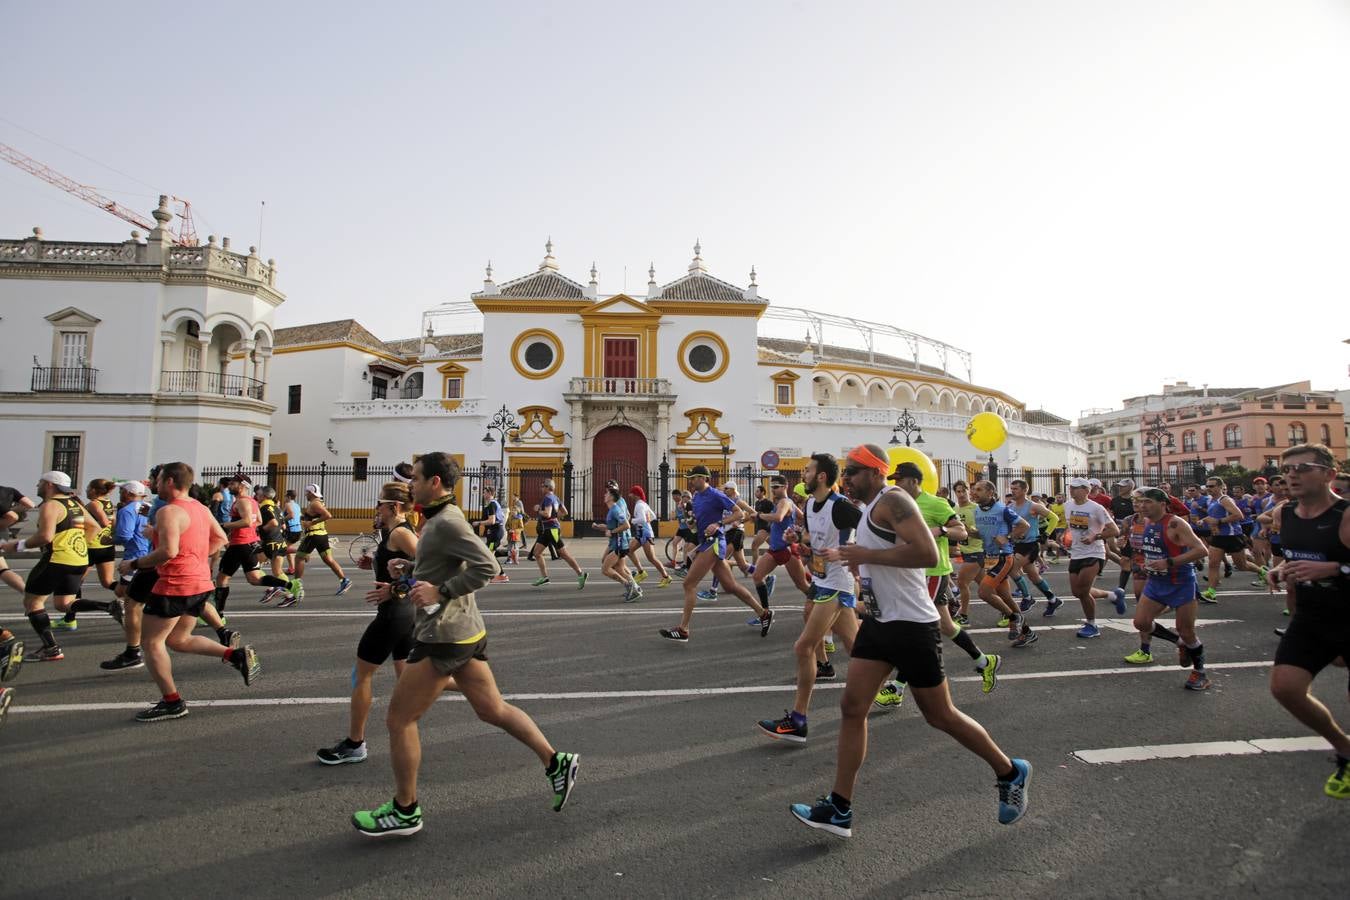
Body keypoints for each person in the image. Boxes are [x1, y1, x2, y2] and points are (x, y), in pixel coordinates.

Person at [788, 443, 1030, 838]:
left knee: (941, 716)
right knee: (852, 707)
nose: (846, 477)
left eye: (853, 470)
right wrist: (858, 569)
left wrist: (865, 554)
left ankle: (1009, 771)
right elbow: (878, 559)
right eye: (845, 471)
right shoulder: (869, 509)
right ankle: (840, 808)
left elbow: (924, 551)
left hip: (913, 625)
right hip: (882, 623)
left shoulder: (894, 500)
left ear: (876, 472)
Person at [351, 452, 579, 836]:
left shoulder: (448, 523)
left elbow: (488, 566)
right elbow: (438, 567)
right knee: (492, 709)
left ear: (435, 483)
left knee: (399, 719)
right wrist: (405, 574)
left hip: (444, 636)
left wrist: (441, 590)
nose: (411, 486)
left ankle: (406, 810)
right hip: (466, 633)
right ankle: (556, 762)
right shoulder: (437, 521)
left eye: (417, 479)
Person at [119, 462, 259, 722]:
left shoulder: (169, 511)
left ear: (170, 481)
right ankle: (234, 654)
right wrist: (194, 557)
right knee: (178, 640)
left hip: (174, 584)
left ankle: (172, 702)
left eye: (159, 480)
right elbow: (220, 538)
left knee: (151, 643)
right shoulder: (200, 508)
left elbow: (169, 552)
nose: (155, 485)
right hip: (199, 583)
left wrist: (134, 563)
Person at [873, 464, 1002, 714]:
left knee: (913, 626)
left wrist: (940, 530)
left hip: (932, 573)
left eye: (899, 480)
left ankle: (897, 688)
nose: (895, 484)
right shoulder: (898, 505)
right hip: (912, 573)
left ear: (913, 481)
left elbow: (960, 531)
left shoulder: (935, 503)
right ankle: (984, 661)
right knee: (945, 626)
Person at [757, 453, 862, 743]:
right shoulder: (811, 506)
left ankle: (799, 720)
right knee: (857, 646)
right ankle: (890, 682)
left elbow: (869, 531)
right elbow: (815, 542)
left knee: (803, 647)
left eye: (808, 470)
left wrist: (845, 552)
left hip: (837, 584)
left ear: (822, 477)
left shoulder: (840, 506)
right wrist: (799, 541)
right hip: (821, 580)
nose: (802, 473)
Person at [1265, 444, 1350, 799]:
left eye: (1303, 468)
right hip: (1312, 615)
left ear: (1329, 474)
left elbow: (1328, 561)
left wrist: (1337, 568)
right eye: (1288, 469)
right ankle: (1343, 746)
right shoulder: (1286, 513)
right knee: (1285, 688)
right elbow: (1298, 557)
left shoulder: (1345, 516)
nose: (1292, 474)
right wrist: (1281, 570)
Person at [318, 481, 420, 765]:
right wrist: (374, 561)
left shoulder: (401, 533)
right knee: (409, 678)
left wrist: (396, 589)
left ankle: (355, 744)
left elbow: (430, 566)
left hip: (394, 614)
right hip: (402, 614)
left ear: (393, 507)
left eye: (379, 503)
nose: (375, 508)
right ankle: (477, 689)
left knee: (361, 676)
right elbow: (400, 564)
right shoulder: (392, 531)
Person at [659, 466, 773, 643]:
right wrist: (691, 522)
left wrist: (719, 523)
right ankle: (763, 613)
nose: (691, 480)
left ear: (704, 478)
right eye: (690, 478)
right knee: (730, 586)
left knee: (689, 584)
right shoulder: (695, 498)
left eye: (694, 477)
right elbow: (696, 525)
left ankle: (683, 629)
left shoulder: (716, 495)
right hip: (705, 543)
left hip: (714, 544)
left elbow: (739, 513)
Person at [1122, 489, 1212, 689]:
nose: (1143, 506)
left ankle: (1200, 672)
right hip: (1156, 582)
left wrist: (1169, 562)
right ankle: (1179, 643)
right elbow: (1152, 549)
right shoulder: (1145, 522)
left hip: (1180, 582)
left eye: (1148, 502)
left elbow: (1201, 550)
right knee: (1141, 622)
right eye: (1140, 502)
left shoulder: (1176, 523)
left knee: (1187, 631)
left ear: (1162, 504)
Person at [0, 471, 91, 662]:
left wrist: (17, 546)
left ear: (50, 485)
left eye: (40, 482)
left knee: (32, 603)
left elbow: (45, 537)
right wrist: (78, 545)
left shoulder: (51, 505)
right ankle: (109, 606)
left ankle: (51, 648)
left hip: (56, 559)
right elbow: (94, 527)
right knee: (63, 604)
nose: (37, 486)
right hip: (77, 559)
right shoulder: (74, 504)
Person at [970, 480, 1038, 647]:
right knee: (1005, 597)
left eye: (979, 489)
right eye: (974, 490)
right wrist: (972, 534)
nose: (974, 492)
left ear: (990, 493)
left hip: (1003, 556)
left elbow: (1024, 525)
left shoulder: (1002, 509)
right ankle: (1027, 632)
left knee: (984, 593)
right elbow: (984, 535)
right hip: (989, 558)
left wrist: (1007, 537)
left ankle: (1013, 618)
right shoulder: (977, 511)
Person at [215, 478, 292, 612]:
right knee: (254, 579)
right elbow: (259, 521)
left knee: (222, 579)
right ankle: (288, 584)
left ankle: (219, 614)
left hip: (239, 544)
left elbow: (246, 521)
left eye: (233, 484)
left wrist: (225, 525)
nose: (230, 486)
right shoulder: (253, 502)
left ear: (242, 486)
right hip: (250, 543)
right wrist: (247, 530)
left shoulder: (242, 501)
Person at [100, 480, 153, 670]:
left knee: (132, 604)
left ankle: (134, 650)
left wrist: (108, 537)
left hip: (134, 558)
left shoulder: (127, 509)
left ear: (129, 493)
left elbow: (125, 535)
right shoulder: (149, 506)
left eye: (122, 490)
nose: (119, 493)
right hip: (149, 555)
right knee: (122, 592)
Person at [1063, 477, 1125, 638]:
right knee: (1076, 591)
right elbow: (1070, 526)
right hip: (1076, 553)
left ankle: (1092, 624)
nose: (1072, 490)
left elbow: (1114, 530)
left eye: (1076, 488)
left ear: (1086, 490)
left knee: (1083, 592)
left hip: (1094, 552)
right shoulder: (1067, 505)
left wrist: (1095, 537)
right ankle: (1113, 595)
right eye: (1071, 487)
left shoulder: (1096, 508)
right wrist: (1065, 535)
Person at [56, 478, 122, 631]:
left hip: (90, 547)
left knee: (76, 582)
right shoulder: (108, 504)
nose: (85, 490)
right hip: (106, 547)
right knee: (107, 581)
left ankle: (69, 618)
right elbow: (113, 525)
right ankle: (133, 597)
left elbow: (104, 522)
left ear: (93, 490)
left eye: (87, 487)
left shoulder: (94, 504)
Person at [1199, 476, 1263, 602]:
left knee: (1242, 565)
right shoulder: (1211, 500)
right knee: (1213, 563)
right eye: (1207, 486)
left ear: (1220, 487)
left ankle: (1262, 571)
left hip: (1232, 536)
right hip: (1218, 537)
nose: (1208, 488)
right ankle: (1211, 592)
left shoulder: (1225, 500)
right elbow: (1213, 516)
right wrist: (1204, 520)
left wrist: (1219, 521)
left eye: (1211, 486)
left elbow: (1239, 515)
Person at [291, 483, 352, 604]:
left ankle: (296, 585)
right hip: (321, 535)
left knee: (298, 558)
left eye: (307, 492)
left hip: (314, 535)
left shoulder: (315, 503)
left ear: (311, 493)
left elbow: (327, 515)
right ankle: (344, 580)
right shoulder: (318, 502)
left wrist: (311, 523)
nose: (305, 495)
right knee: (328, 559)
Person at [1006, 479, 1059, 613]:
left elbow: (1054, 518)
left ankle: (1027, 598)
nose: (1013, 491)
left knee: (1011, 569)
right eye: (1011, 488)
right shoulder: (1010, 507)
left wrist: (1046, 534)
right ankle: (1053, 599)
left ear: (1025, 490)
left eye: (1016, 489)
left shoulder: (1033, 506)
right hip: (1017, 545)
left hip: (1030, 545)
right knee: (1034, 576)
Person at [528, 480, 586, 588]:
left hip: (551, 530)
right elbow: (565, 512)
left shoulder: (548, 498)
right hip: (547, 530)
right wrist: (555, 517)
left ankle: (580, 574)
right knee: (537, 553)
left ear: (547, 487)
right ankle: (545, 577)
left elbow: (547, 513)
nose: (541, 488)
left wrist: (538, 510)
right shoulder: (556, 498)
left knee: (563, 554)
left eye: (542, 486)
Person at [593, 486, 641, 601]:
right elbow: (610, 527)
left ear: (611, 497)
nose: (604, 495)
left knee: (605, 569)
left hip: (620, 544)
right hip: (616, 543)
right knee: (619, 569)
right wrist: (598, 527)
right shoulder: (611, 510)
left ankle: (628, 586)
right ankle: (636, 588)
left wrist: (612, 532)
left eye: (607, 494)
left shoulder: (616, 509)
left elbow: (626, 525)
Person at [624, 485, 670, 587]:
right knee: (628, 550)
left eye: (631, 493)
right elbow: (652, 516)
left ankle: (666, 577)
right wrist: (646, 519)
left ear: (636, 494)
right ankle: (641, 572)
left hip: (645, 534)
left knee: (652, 558)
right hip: (641, 533)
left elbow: (642, 520)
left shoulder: (639, 505)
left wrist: (632, 520)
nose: (629, 495)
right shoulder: (643, 504)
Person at [255, 486, 292, 602]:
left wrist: (261, 529)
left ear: (264, 496)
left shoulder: (265, 508)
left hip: (271, 543)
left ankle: (272, 587)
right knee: (278, 572)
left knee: (254, 566)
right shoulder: (277, 508)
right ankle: (291, 594)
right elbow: (283, 525)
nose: (256, 496)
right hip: (280, 542)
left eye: (258, 494)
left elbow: (274, 522)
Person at [476, 485, 509, 584]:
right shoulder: (493, 504)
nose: (483, 494)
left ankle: (501, 575)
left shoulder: (492, 505)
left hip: (495, 532)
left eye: (485, 492)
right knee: (489, 553)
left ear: (490, 493)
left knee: (490, 554)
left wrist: (479, 523)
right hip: (494, 532)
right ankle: (495, 574)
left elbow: (492, 520)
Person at [283, 489, 303, 573]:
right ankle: (292, 568)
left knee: (285, 548)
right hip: (298, 530)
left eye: (285, 496)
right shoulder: (297, 505)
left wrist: (282, 520)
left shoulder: (288, 504)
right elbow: (300, 516)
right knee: (287, 549)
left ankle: (301, 552)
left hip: (292, 530)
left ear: (289, 497)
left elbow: (291, 515)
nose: (284, 498)